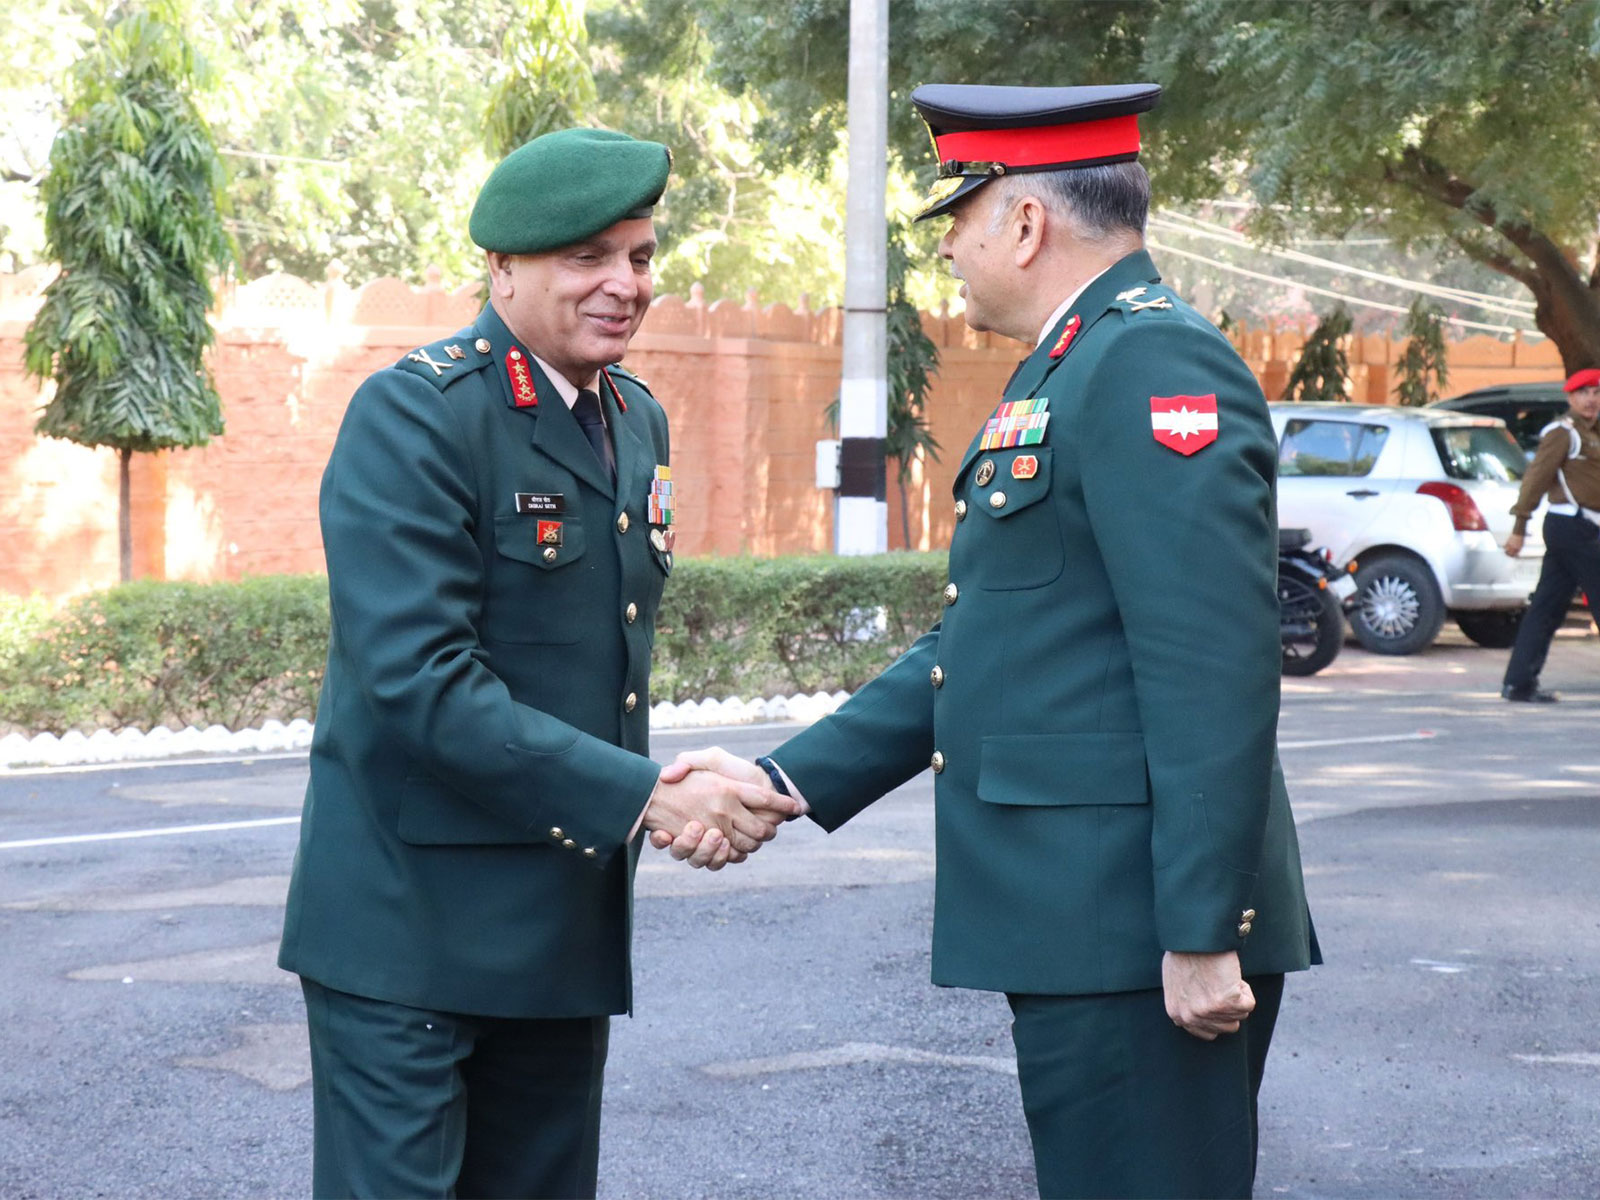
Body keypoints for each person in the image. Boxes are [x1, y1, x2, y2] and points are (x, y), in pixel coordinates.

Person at [660, 84, 1318, 1199]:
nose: (947, 249)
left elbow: (1209, 665)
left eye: (958, 218)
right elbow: (993, 637)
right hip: (1091, 925)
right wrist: (785, 779)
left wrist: (1205, 930)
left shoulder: (1150, 363)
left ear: (1024, 222)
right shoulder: (1074, 362)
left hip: (1140, 933)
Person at [277, 127, 800, 1200]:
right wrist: (648, 796)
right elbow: (422, 680)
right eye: (587, 257)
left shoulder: (636, 419)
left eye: (640, 257)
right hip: (412, 935)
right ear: (502, 268)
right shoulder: (418, 414)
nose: (625, 285)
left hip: (561, 930)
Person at [1500, 367, 1600, 702]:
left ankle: (1519, 683)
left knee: (1546, 608)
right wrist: (1519, 527)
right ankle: (1519, 682)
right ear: (1570, 397)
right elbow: (1536, 479)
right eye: (1584, 393)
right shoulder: (1563, 432)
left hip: (1580, 527)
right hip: (1573, 526)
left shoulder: (1593, 433)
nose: (1591, 399)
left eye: (1596, 393)